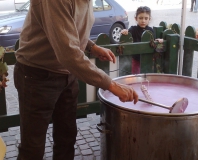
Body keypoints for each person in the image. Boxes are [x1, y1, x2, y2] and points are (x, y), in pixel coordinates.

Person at [14, 0, 138, 159]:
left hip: (67, 74)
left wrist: (91, 46)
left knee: (66, 138)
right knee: (33, 147)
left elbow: (69, 29)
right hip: (37, 75)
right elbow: (69, 54)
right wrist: (111, 85)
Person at [121, 6, 163, 74]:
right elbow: (127, 34)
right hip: (136, 60)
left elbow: (153, 43)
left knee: (147, 75)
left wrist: (159, 41)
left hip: (148, 60)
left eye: (146, 18)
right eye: (140, 18)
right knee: (136, 76)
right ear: (136, 18)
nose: (143, 21)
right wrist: (125, 31)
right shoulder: (133, 29)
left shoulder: (150, 31)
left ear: (149, 19)